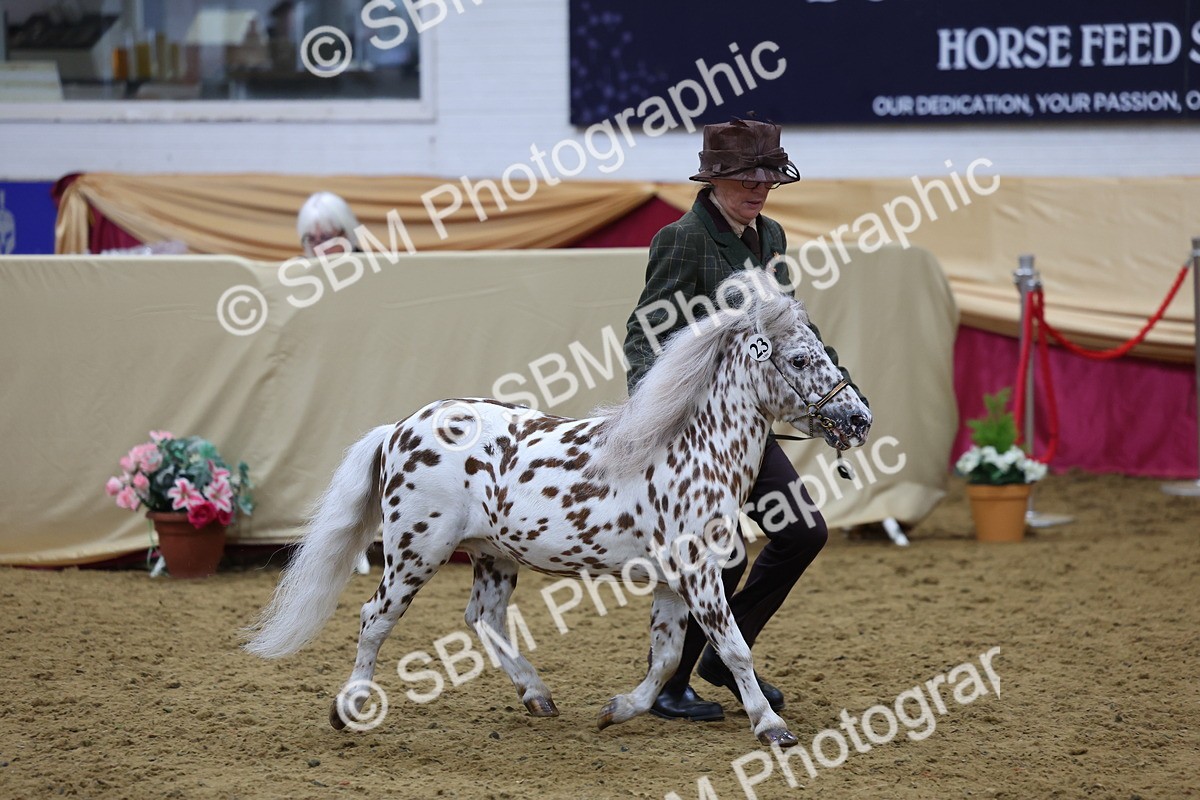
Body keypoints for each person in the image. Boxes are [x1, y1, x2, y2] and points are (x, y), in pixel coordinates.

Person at [622, 117, 867, 722]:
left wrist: (838, 392)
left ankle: (718, 660)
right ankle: (672, 686)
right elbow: (643, 333)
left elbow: (787, 327)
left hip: (747, 427)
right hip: (694, 429)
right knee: (720, 554)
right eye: (745, 179)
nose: (759, 190)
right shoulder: (682, 240)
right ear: (715, 180)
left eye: (766, 179)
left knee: (802, 532)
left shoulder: (771, 235)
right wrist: (658, 416)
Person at [297, 191, 361, 257]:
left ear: (346, 235)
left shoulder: (368, 265)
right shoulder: (302, 266)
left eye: (326, 238)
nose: (318, 248)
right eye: (311, 239)